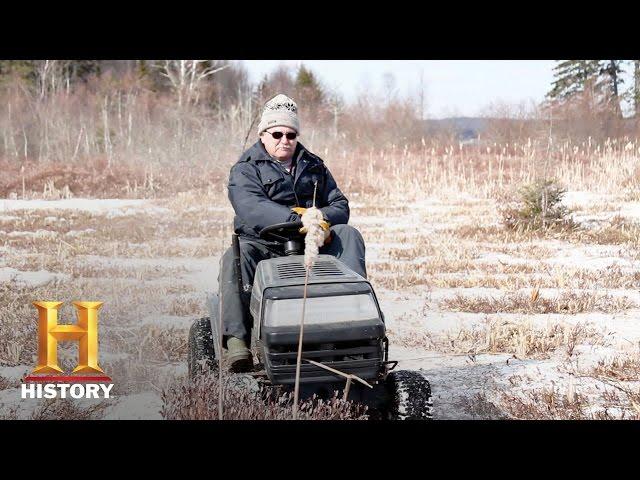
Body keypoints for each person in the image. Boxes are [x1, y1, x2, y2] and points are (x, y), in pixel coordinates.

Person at [219, 93, 367, 372]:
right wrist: (296, 218)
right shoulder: (245, 168)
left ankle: (356, 321)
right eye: (277, 133)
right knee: (233, 260)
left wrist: (320, 219)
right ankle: (237, 341)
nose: (284, 140)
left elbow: (339, 204)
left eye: (291, 134)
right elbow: (251, 206)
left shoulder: (314, 165)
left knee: (348, 234)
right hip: (263, 242)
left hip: (313, 241)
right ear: (264, 134)